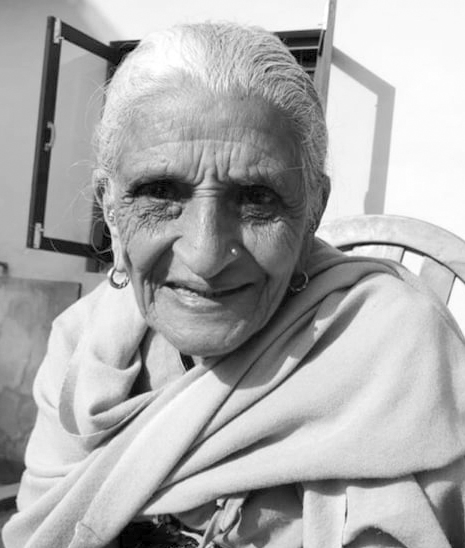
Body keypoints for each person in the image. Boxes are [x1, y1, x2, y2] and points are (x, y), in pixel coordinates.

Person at [3, 21, 465, 548]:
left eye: (256, 199)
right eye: (160, 192)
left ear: (313, 213)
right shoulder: (81, 347)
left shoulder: (395, 353)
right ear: (110, 209)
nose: (205, 255)